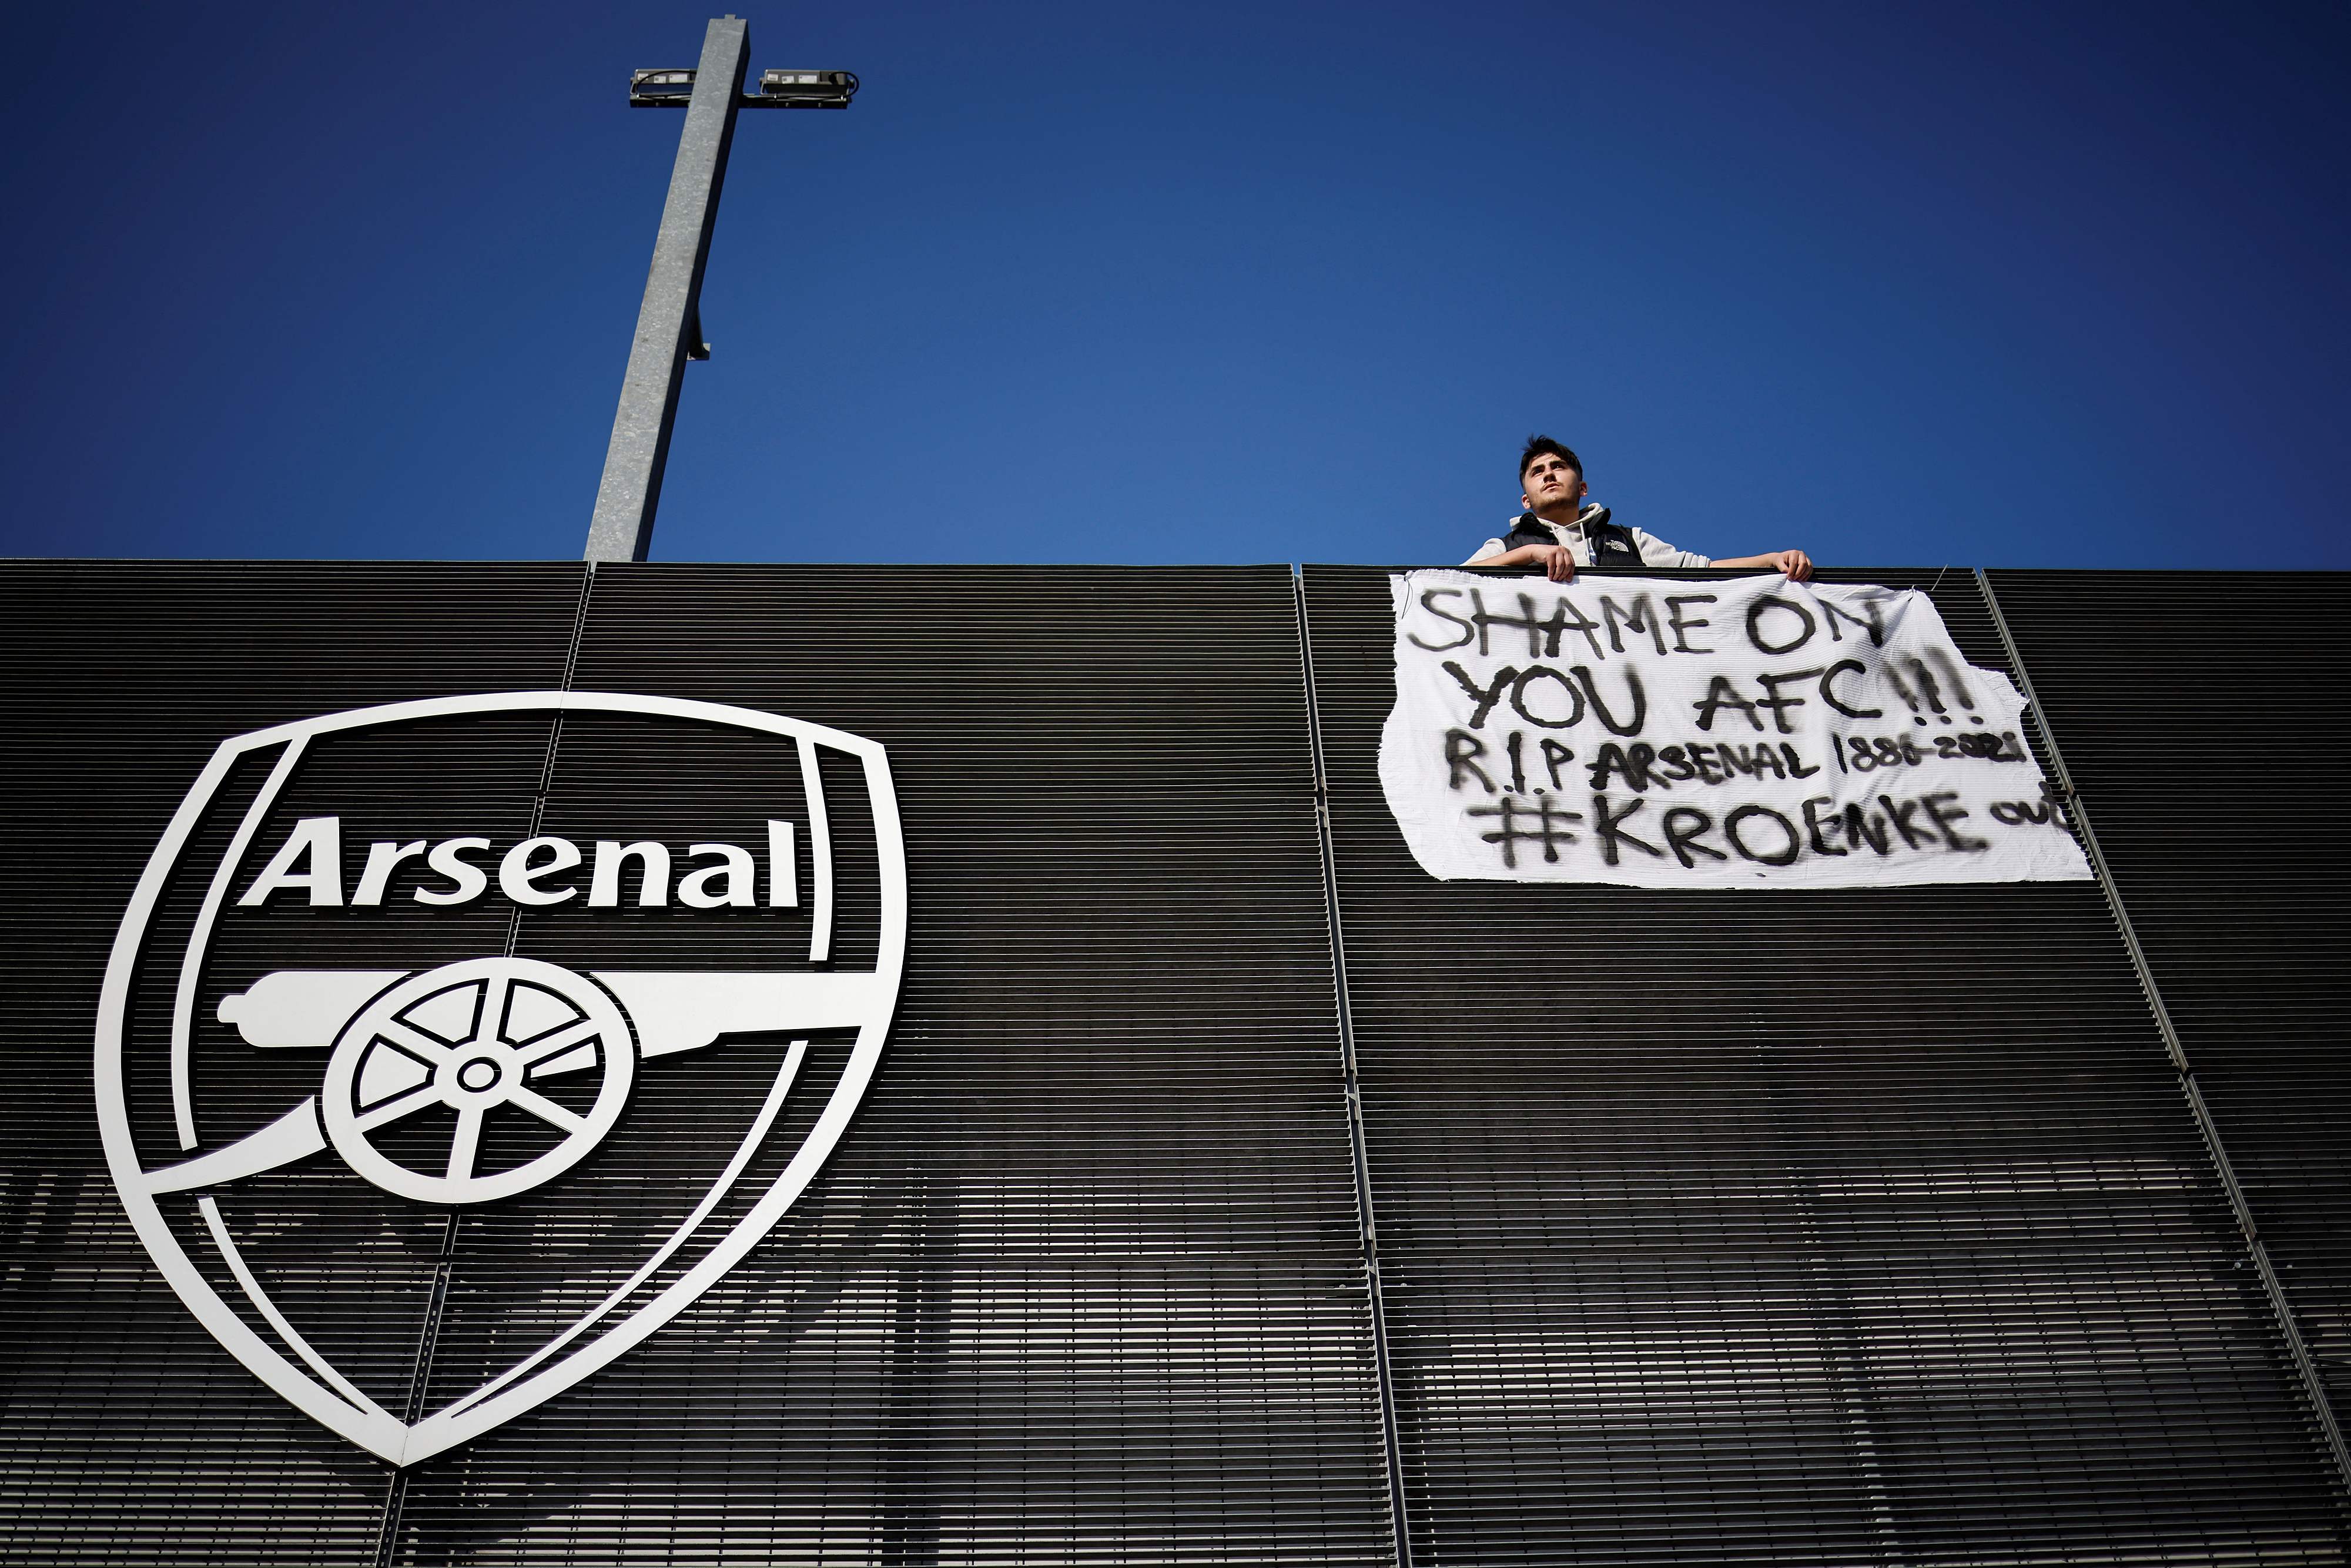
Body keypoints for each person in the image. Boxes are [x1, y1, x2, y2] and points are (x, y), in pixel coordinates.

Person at [1466, 436, 1813, 584]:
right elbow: (1450, 583)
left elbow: (1701, 573)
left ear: (1583, 488)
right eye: (1537, 472)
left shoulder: (1629, 540)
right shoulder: (1508, 545)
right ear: (1526, 499)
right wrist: (1529, 553)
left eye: (1558, 467)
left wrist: (1770, 560)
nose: (1549, 475)